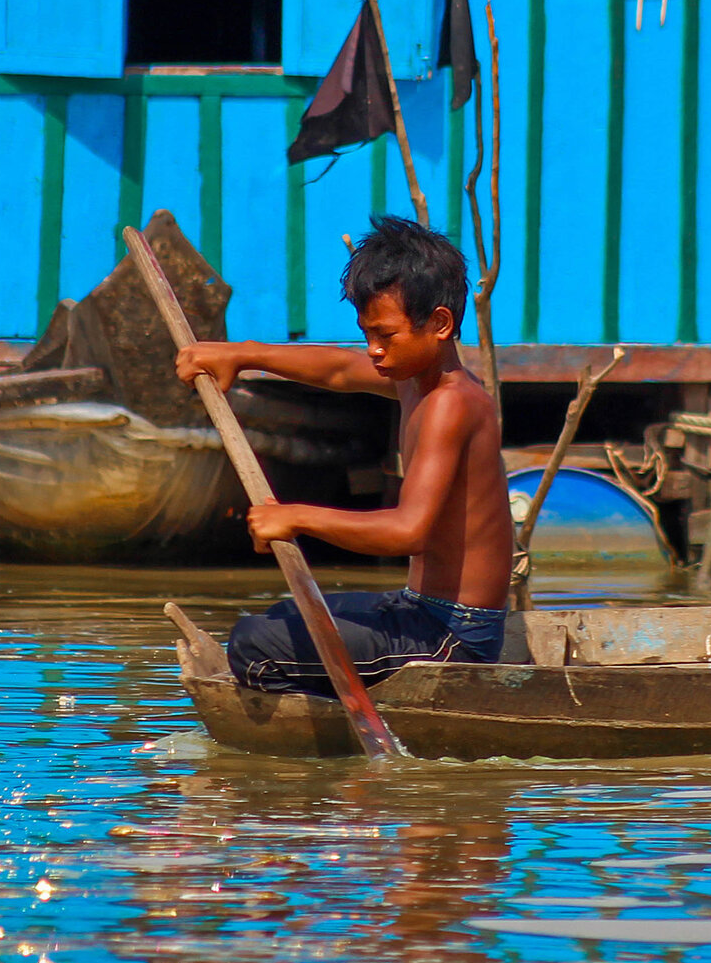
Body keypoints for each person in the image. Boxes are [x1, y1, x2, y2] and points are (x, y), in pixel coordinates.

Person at [175, 216, 512, 695]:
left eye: (386, 335)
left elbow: (406, 531)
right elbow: (336, 369)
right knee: (286, 615)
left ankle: (331, 750)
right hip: (419, 608)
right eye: (367, 334)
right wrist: (241, 353)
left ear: (439, 323)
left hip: (455, 636)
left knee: (254, 644)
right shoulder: (417, 377)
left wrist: (296, 517)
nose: (373, 350)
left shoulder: (451, 404)